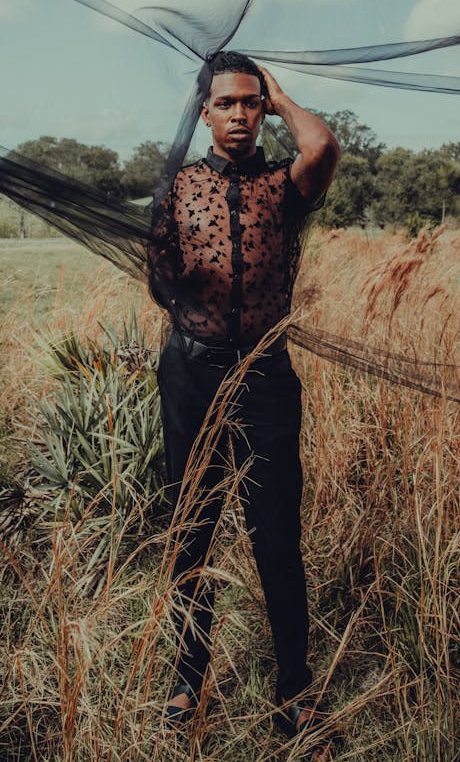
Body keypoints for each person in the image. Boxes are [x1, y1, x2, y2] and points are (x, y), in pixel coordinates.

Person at [148, 51, 340, 757]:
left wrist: (285, 96)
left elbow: (321, 144)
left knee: (276, 535)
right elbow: (159, 282)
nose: (238, 114)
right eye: (226, 103)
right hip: (191, 373)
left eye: (250, 103)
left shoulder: (284, 186)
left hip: (265, 376)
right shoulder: (176, 186)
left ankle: (294, 692)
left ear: (262, 110)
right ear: (204, 111)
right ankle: (186, 681)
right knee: (191, 527)